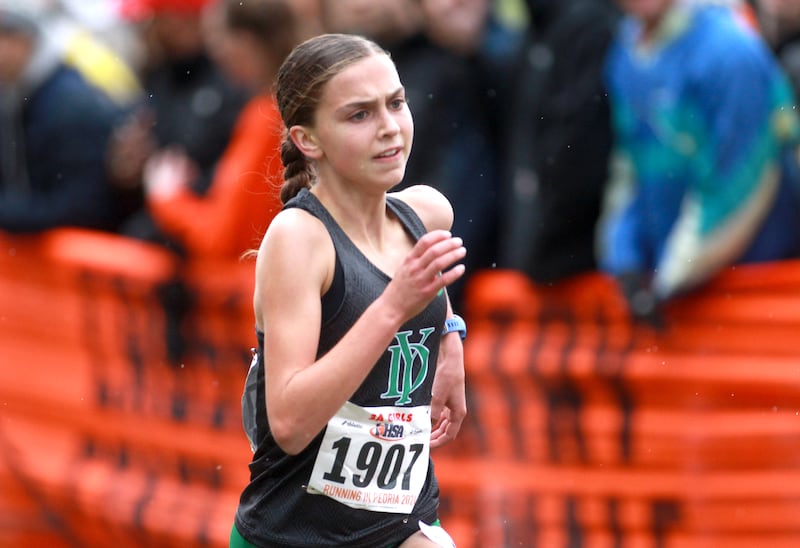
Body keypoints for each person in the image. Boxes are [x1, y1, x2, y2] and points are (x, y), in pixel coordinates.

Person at [232, 33, 468, 547]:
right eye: (359, 115)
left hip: (400, 520)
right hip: (293, 533)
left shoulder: (426, 214)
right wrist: (393, 308)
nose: (389, 128)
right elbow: (290, 422)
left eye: (396, 103)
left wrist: (450, 338)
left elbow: (428, 288)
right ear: (308, 140)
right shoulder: (299, 240)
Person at [597, 0, 800, 325]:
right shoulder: (624, 54)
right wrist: (624, 260)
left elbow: (739, 184)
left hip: (750, 292)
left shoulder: (730, 52)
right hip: (677, 293)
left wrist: (670, 278)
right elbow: (629, 168)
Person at [321, 0, 507, 310]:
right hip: (382, 275)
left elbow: (462, 193)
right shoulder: (350, 70)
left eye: (395, 104)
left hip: (426, 279)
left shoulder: (457, 66)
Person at [141, 0, 299, 260]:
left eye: (217, 40)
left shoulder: (269, 118)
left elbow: (221, 239)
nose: (215, 54)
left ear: (244, 44)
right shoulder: (296, 104)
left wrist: (167, 196)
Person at [495, 0, 621, 284]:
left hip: (582, 267)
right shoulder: (533, 32)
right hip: (541, 265)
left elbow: (579, 155)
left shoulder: (590, 24)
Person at [109, 0, 248, 247]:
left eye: (154, 17)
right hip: (162, 231)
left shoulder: (233, 80)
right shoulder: (158, 76)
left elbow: (235, 178)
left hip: (208, 244)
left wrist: (177, 188)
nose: (145, 28)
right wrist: (128, 172)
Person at [0, 0, 129, 233]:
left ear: (22, 40)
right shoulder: (20, 93)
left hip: (90, 253)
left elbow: (82, 207)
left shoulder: (68, 104)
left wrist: (11, 213)